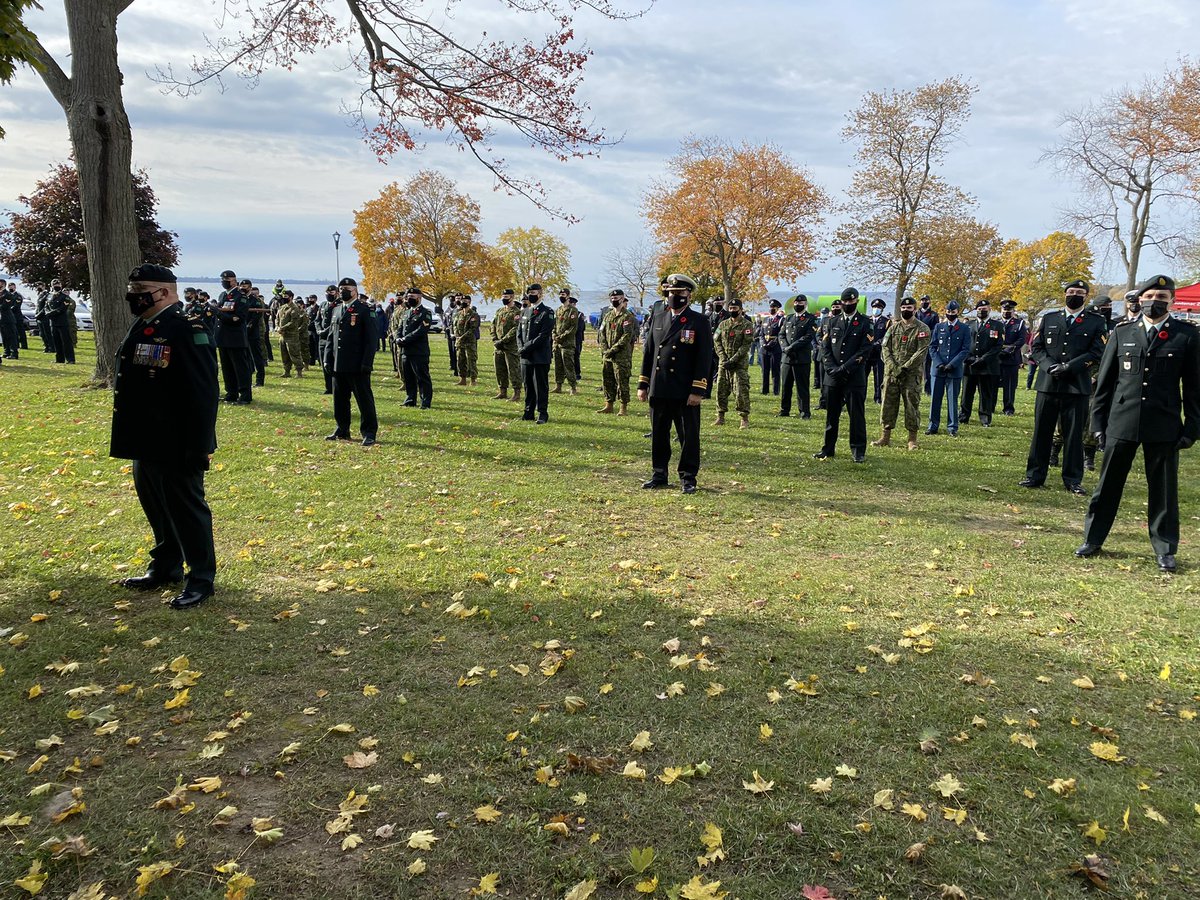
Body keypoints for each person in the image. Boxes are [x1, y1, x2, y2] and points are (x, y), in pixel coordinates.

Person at [110, 264, 218, 610]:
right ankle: (165, 566)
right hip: (146, 437)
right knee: (156, 506)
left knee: (186, 509)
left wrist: (200, 445)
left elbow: (202, 393)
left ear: (165, 291)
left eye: (140, 288)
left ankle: (200, 578)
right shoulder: (144, 324)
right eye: (132, 288)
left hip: (177, 440)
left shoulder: (187, 328)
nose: (133, 295)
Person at [1076, 275, 1199, 573]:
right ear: (1140, 300)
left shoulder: (1187, 336)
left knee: (1163, 491)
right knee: (1107, 486)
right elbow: (1104, 384)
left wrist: (1192, 427)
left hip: (1164, 423)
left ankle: (1165, 548)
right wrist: (1098, 423)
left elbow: (1194, 387)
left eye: (1161, 296)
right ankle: (1093, 539)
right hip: (1122, 420)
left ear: (1171, 300)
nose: (1154, 301)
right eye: (1149, 296)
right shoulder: (1123, 333)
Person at [1020, 280, 1107, 494]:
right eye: (1070, 292)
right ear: (1064, 294)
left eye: (1079, 292)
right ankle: (1035, 475)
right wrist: (1050, 367)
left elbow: (1097, 352)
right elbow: (1037, 348)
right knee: (1042, 432)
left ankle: (1073, 479)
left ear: (1086, 296)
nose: (1074, 295)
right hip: (1048, 384)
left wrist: (1069, 367)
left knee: (1074, 435)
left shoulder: (1096, 322)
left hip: (1076, 385)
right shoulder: (1049, 318)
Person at [638, 274, 713, 493]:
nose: (674, 296)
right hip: (659, 387)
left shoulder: (698, 321)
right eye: (671, 293)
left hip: (684, 390)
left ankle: (688, 477)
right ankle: (659, 473)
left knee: (688, 436)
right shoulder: (659, 317)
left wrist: (698, 389)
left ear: (688, 295)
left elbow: (704, 357)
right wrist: (643, 384)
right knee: (659, 434)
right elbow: (649, 352)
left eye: (679, 293)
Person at [814, 288, 872, 462]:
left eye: (851, 303)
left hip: (854, 376)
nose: (847, 305)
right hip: (833, 376)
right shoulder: (832, 322)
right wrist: (831, 368)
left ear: (856, 302)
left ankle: (858, 451)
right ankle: (828, 448)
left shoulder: (865, 322)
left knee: (856, 416)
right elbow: (824, 347)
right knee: (832, 415)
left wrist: (845, 368)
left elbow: (865, 349)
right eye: (845, 302)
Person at [325, 277, 379, 446]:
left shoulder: (364, 310)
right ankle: (342, 428)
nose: (343, 291)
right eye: (341, 288)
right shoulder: (336, 310)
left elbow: (371, 340)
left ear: (355, 290)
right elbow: (331, 337)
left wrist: (367, 363)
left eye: (347, 288)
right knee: (339, 400)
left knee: (364, 400)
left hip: (357, 364)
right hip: (338, 364)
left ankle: (369, 432)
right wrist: (327, 359)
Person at [873, 295, 930, 450]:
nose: (906, 310)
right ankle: (885, 437)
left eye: (909, 308)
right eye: (903, 308)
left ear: (915, 309)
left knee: (912, 406)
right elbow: (885, 348)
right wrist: (893, 367)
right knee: (888, 405)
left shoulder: (922, 328)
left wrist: (904, 368)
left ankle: (912, 440)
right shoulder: (893, 328)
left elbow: (921, 351)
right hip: (891, 374)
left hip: (911, 375)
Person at [926, 300, 972, 436]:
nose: (950, 314)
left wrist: (952, 364)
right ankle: (933, 425)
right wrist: (939, 363)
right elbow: (932, 347)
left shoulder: (964, 329)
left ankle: (952, 427)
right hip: (938, 369)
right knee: (935, 399)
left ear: (957, 312)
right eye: (948, 312)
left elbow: (965, 350)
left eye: (953, 312)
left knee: (952, 399)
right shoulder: (939, 327)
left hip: (954, 369)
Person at [960, 300, 1003, 427]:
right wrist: (970, 359)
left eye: (984, 308)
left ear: (989, 309)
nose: (981, 311)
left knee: (986, 393)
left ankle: (985, 418)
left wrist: (983, 359)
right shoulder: (968, 325)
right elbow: (963, 344)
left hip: (987, 365)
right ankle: (963, 416)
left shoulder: (997, 326)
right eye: (979, 309)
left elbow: (998, 346)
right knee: (966, 393)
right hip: (970, 365)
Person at [713, 297, 754, 428]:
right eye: (730, 308)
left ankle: (744, 418)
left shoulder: (747, 325)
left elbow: (746, 345)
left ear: (741, 310)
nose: (732, 310)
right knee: (721, 389)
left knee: (741, 391)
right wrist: (723, 358)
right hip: (723, 363)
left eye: (735, 309)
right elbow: (716, 341)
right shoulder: (723, 324)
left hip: (739, 364)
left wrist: (733, 360)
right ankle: (720, 416)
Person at [597, 289, 638, 415]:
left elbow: (627, 336)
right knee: (607, 379)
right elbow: (602, 333)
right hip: (608, 355)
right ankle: (608, 404)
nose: (614, 300)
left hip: (621, 355)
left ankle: (623, 407)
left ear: (622, 298)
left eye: (617, 298)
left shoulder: (628, 316)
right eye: (612, 298)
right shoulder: (608, 315)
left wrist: (613, 350)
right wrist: (605, 350)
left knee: (622, 381)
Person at [214, 270, 253, 403]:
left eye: (226, 280)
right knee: (227, 368)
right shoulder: (222, 296)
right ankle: (231, 393)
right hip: (223, 337)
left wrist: (218, 313)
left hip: (235, 338)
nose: (223, 282)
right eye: (222, 280)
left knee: (240, 368)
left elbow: (238, 318)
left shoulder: (240, 297)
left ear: (233, 280)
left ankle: (245, 395)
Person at [518, 284, 554, 423]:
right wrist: (521, 347)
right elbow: (519, 333)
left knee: (540, 386)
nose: (531, 295)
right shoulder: (525, 311)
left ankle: (542, 414)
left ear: (540, 294)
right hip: (526, 356)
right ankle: (528, 412)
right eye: (529, 293)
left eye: (534, 292)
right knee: (527, 385)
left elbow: (544, 335)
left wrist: (526, 347)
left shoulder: (547, 312)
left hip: (539, 356)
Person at [777, 294, 818, 419]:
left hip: (801, 358)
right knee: (785, 386)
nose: (797, 306)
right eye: (796, 303)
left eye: (800, 304)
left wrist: (792, 347)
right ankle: (784, 410)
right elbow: (781, 335)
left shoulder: (811, 319)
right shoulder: (788, 318)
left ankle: (804, 412)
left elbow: (808, 337)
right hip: (787, 358)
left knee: (802, 387)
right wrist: (785, 347)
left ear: (805, 305)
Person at [395, 287, 433, 409]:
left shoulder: (425, 313)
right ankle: (410, 399)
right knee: (408, 377)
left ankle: (425, 402)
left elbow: (421, 330)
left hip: (419, 351)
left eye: (412, 297)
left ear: (419, 298)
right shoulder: (406, 313)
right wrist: (398, 338)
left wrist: (405, 339)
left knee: (422, 377)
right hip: (406, 351)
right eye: (408, 297)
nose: (409, 299)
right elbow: (400, 328)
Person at [490, 289, 522, 401]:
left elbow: (516, 328)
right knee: (500, 369)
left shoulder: (517, 312)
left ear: (512, 297)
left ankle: (516, 392)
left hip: (510, 346)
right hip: (498, 346)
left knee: (513, 370)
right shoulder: (499, 311)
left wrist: (503, 340)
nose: (504, 298)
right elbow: (493, 325)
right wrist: (494, 338)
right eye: (503, 296)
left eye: (506, 296)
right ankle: (502, 391)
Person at [998, 300, 1029, 415]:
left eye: (1009, 310)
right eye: (1005, 310)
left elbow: (1022, 339)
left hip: (1011, 358)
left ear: (1013, 311)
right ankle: (990, 407)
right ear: (1001, 310)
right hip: (996, 358)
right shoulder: (996, 323)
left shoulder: (1019, 323)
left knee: (1010, 386)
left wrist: (1008, 350)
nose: (1006, 312)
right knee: (992, 384)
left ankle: (1008, 408)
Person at [552, 287, 581, 394]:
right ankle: (558, 385)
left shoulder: (573, 310)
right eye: (560, 295)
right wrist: (554, 335)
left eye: (563, 295)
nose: (561, 297)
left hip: (567, 343)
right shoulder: (558, 310)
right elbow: (554, 325)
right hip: (557, 343)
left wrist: (562, 336)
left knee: (568, 366)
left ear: (568, 296)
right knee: (557, 365)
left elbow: (573, 328)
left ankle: (573, 387)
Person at [276, 291, 308, 377]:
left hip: (291, 335)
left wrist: (283, 328)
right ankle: (286, 371)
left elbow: (293, 322)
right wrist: (277, 327)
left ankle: (299, 372)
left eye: (286, 296)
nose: (284, 297)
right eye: (283, 296)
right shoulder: (282, 307)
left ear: (291, 297)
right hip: (282, 335)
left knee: (294, 353)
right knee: (284, 354)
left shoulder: (294, 308)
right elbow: (277, 319)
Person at [453, 292, 480, 386]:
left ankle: (473, 380)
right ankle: (462, 379)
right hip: (459, 342)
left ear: (469, 302)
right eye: (462, 300)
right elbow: (455, 325)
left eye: (465, 301)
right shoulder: (458, 314)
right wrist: (457, 336)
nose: (463, 302)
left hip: (469, 341)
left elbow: (473, 328)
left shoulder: (473, 314)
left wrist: (462, 337)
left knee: (471, 360)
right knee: (460, 360)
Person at [46, 280, 76, 364]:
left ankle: (70, 359)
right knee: (56, 341)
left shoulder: (64, 297)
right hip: (53, 322)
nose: (56, 286)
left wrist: (51, 313)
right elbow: (46, 307)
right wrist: (47, 313)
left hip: (62, 322)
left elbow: (62, 309)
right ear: (51, 286)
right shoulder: (49, 296)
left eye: (58, 284)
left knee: (66, 341)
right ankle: (59, 359)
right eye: (54, 284)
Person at [867, 297, 890, 403]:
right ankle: (862, 395)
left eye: (879, 307)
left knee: (879, 377)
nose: (876, 309)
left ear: (882, 309)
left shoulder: (886, 322)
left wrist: (877, 343)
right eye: (875, 307)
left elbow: (887, 336)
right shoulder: (867, 320)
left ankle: (878, 397)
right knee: (863, 375)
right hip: (867, 353)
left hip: (879, 353)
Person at [915, 295, 940, 394]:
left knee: (927, 367)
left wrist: (926, 333)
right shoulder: (916, 313)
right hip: (916, 343)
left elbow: (935, 329)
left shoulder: (934, 315)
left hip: (928, 343)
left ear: (929, 302)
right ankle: (916, 386)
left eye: (926, 300)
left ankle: (927, 388)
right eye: (922, 300)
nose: (924, 302)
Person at [759, 298, 783, 395]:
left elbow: (781, 334)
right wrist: (763, 343)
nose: (771, 309)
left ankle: (775, 390)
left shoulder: (781, 320)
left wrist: (772, 343)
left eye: (773, 307)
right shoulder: (765, 319)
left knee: (775, 370)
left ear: (777, 309)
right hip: (764, 349)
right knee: (765, 370)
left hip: (775, 348)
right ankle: (765, 390)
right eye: (770, 307)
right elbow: (761, 334)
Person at [0, 281, 21, 359]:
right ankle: (6, 351)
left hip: (8, 318)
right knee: (4, 336)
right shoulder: (1, 294)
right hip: (1, 319)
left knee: (11, 336)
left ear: (3, 285)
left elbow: (5, 306)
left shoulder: (7, 294)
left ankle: (14, 353)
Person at [572, 294, 586, 381]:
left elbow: (581, 328)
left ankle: (577, 373)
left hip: (577, 339)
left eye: (572, 303)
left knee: (576, 356)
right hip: (567, 340)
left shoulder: (579, 314)